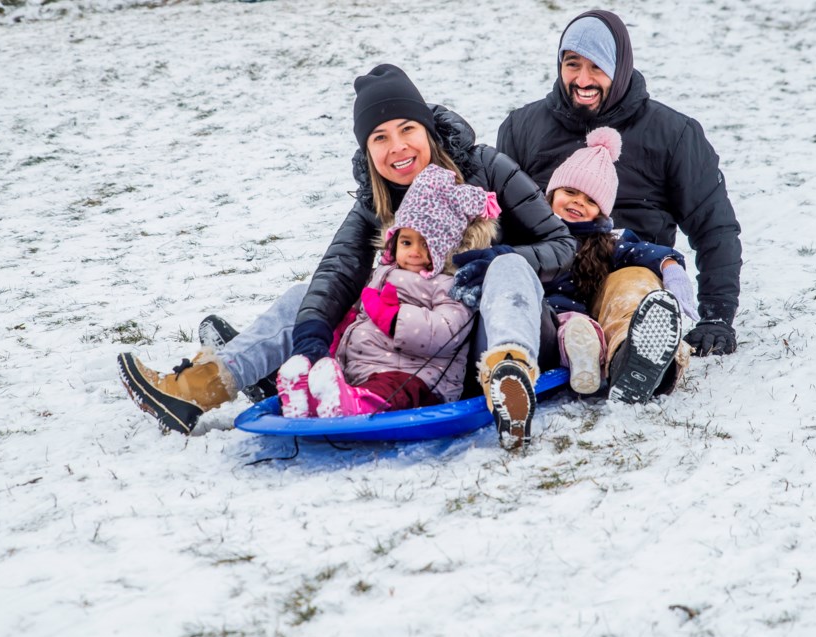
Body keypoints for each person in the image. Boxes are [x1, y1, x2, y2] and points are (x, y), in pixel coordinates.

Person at [117, 64, 576, 445]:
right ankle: (198, 389)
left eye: (407, 129)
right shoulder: (375, 203)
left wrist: (493, 260)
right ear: (367, 148)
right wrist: (312, 337)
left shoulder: (487, 167)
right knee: (306, 298)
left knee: (509, 265)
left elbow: (562, 246)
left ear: (428, 129)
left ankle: (509, 378)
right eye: (379, 137)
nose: (397, 147)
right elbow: (336, 272)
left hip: (496, 335)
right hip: (415, 354)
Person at [497, 9, 742, 367]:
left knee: (632, 289)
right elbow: (499, 216)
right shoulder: (523, 127)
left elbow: (713, 225)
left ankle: (636, 358)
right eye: (572, 64)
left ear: (620, 67)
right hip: (545, 276)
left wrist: (717, 315)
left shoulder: (673, 134)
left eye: (597, 67)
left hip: (627, 268)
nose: (583, 79)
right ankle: (507, 358)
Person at [278, 164, 499, 418]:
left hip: (417, 377)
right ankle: (307, 399)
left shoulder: (450, 283)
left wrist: (393, 318)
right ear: (394, 241)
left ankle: (350, 405)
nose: (414, 251)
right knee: (348, 378)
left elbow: (448, 330)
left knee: (390, 389)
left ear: (445, 245)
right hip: (363, 368)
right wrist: (343, 323)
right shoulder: (381, 274)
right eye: (406, 242)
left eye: (426, 244)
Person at [543, 126, 697, 402]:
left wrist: (670, 266)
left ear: (602, 212)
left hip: (581, 328)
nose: (578, 202)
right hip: (535, 322)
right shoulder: (525, 228)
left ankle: (631, 361)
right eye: (570, 191)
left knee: (634, 277)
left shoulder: (607, 242)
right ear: (552, 192)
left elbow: (644, 252)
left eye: (591, 200)